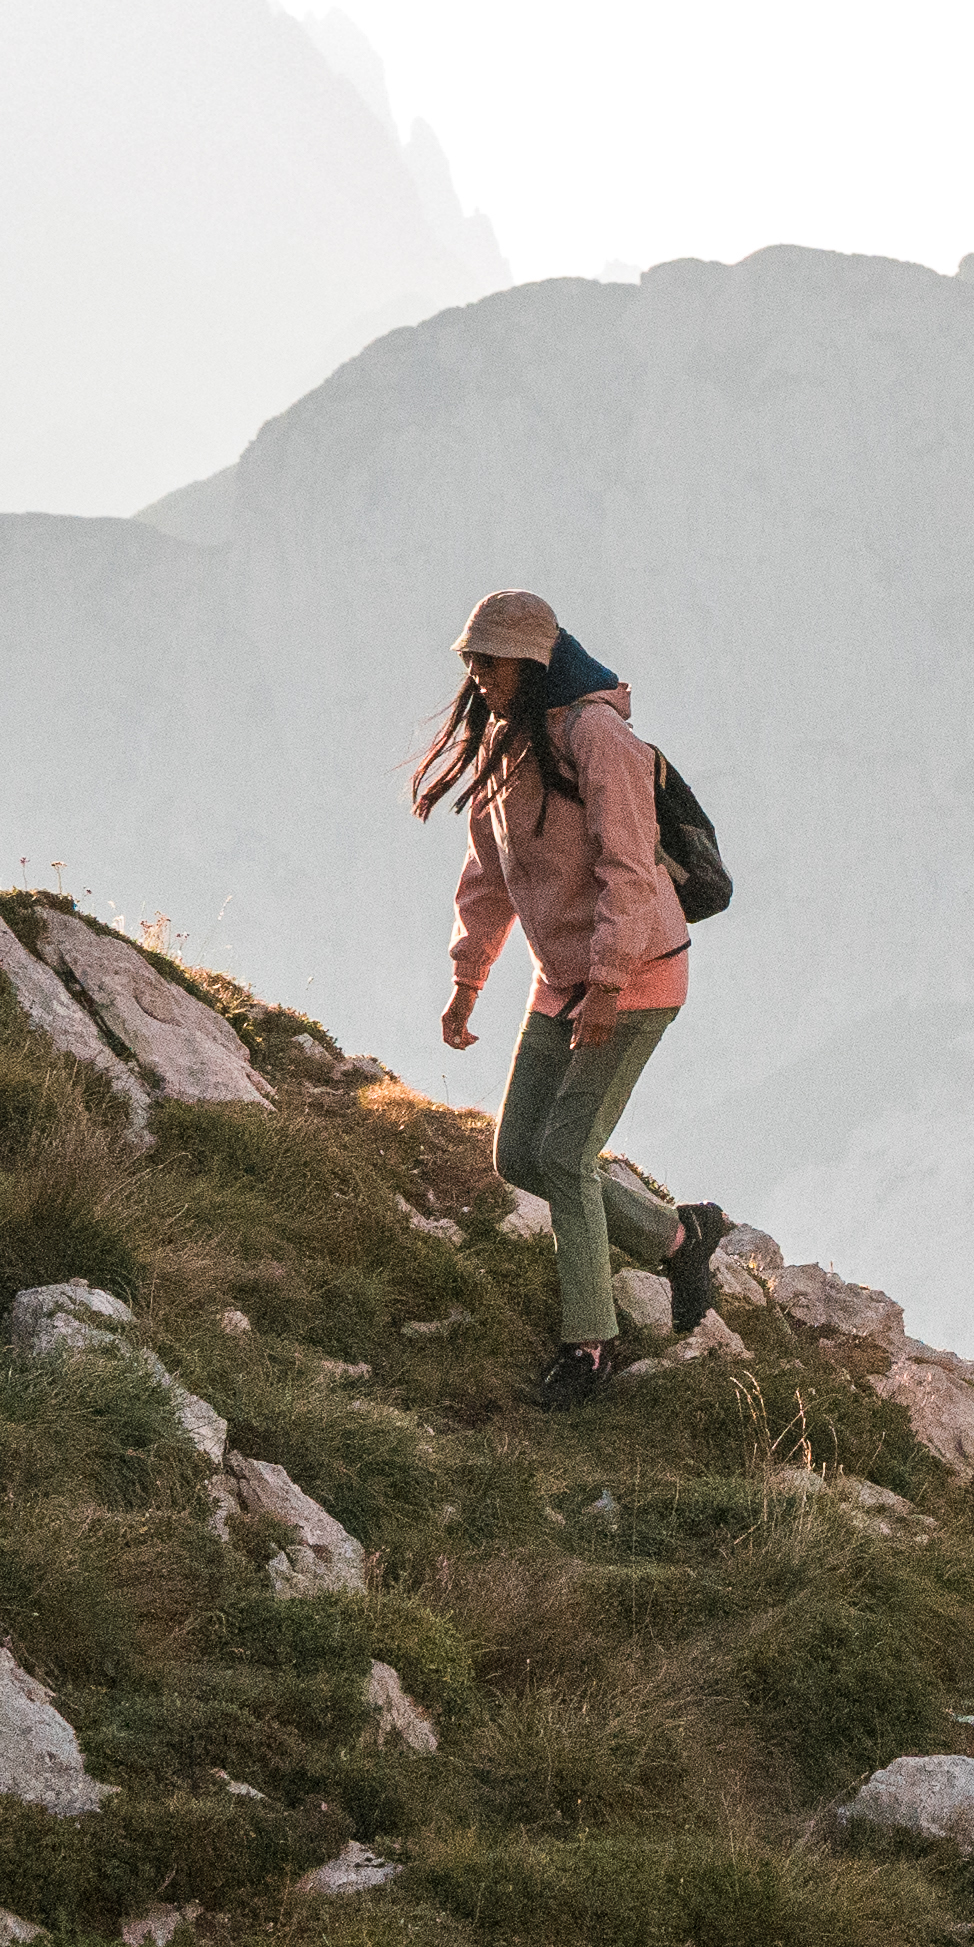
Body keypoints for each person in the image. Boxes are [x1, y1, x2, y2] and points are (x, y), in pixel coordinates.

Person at [414, 590, 731, 1401]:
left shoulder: (599, 738)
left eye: (492, 663)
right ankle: (679, 1238)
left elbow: (629, 870)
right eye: (472, 663)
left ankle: (589, 1349)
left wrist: (610, 986)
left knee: (565, 1153)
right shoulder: (505, 742)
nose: (480, 678)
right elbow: (489, 874)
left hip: (637, 975)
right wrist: (467, 978)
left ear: (532, 663)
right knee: (518, 1154)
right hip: (562, 977)